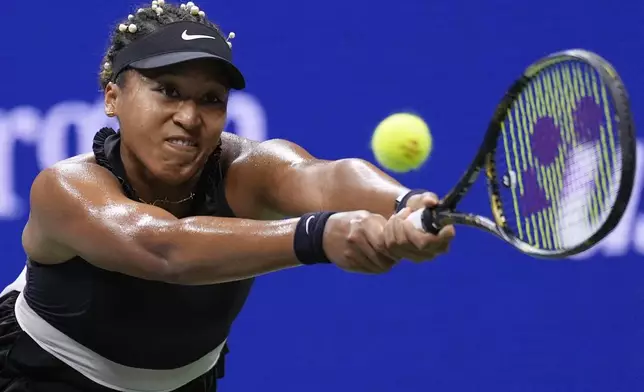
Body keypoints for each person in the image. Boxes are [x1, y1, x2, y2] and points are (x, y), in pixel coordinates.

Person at [0, 1, 455, 391]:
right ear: (113, 97)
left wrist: (402, 202)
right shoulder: (65, 188)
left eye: (211, 99)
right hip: (41, 376)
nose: (189, 117)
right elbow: (163, 249)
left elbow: (321, 177)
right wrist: (318, 235)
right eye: (168, 91)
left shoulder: (243, 169)